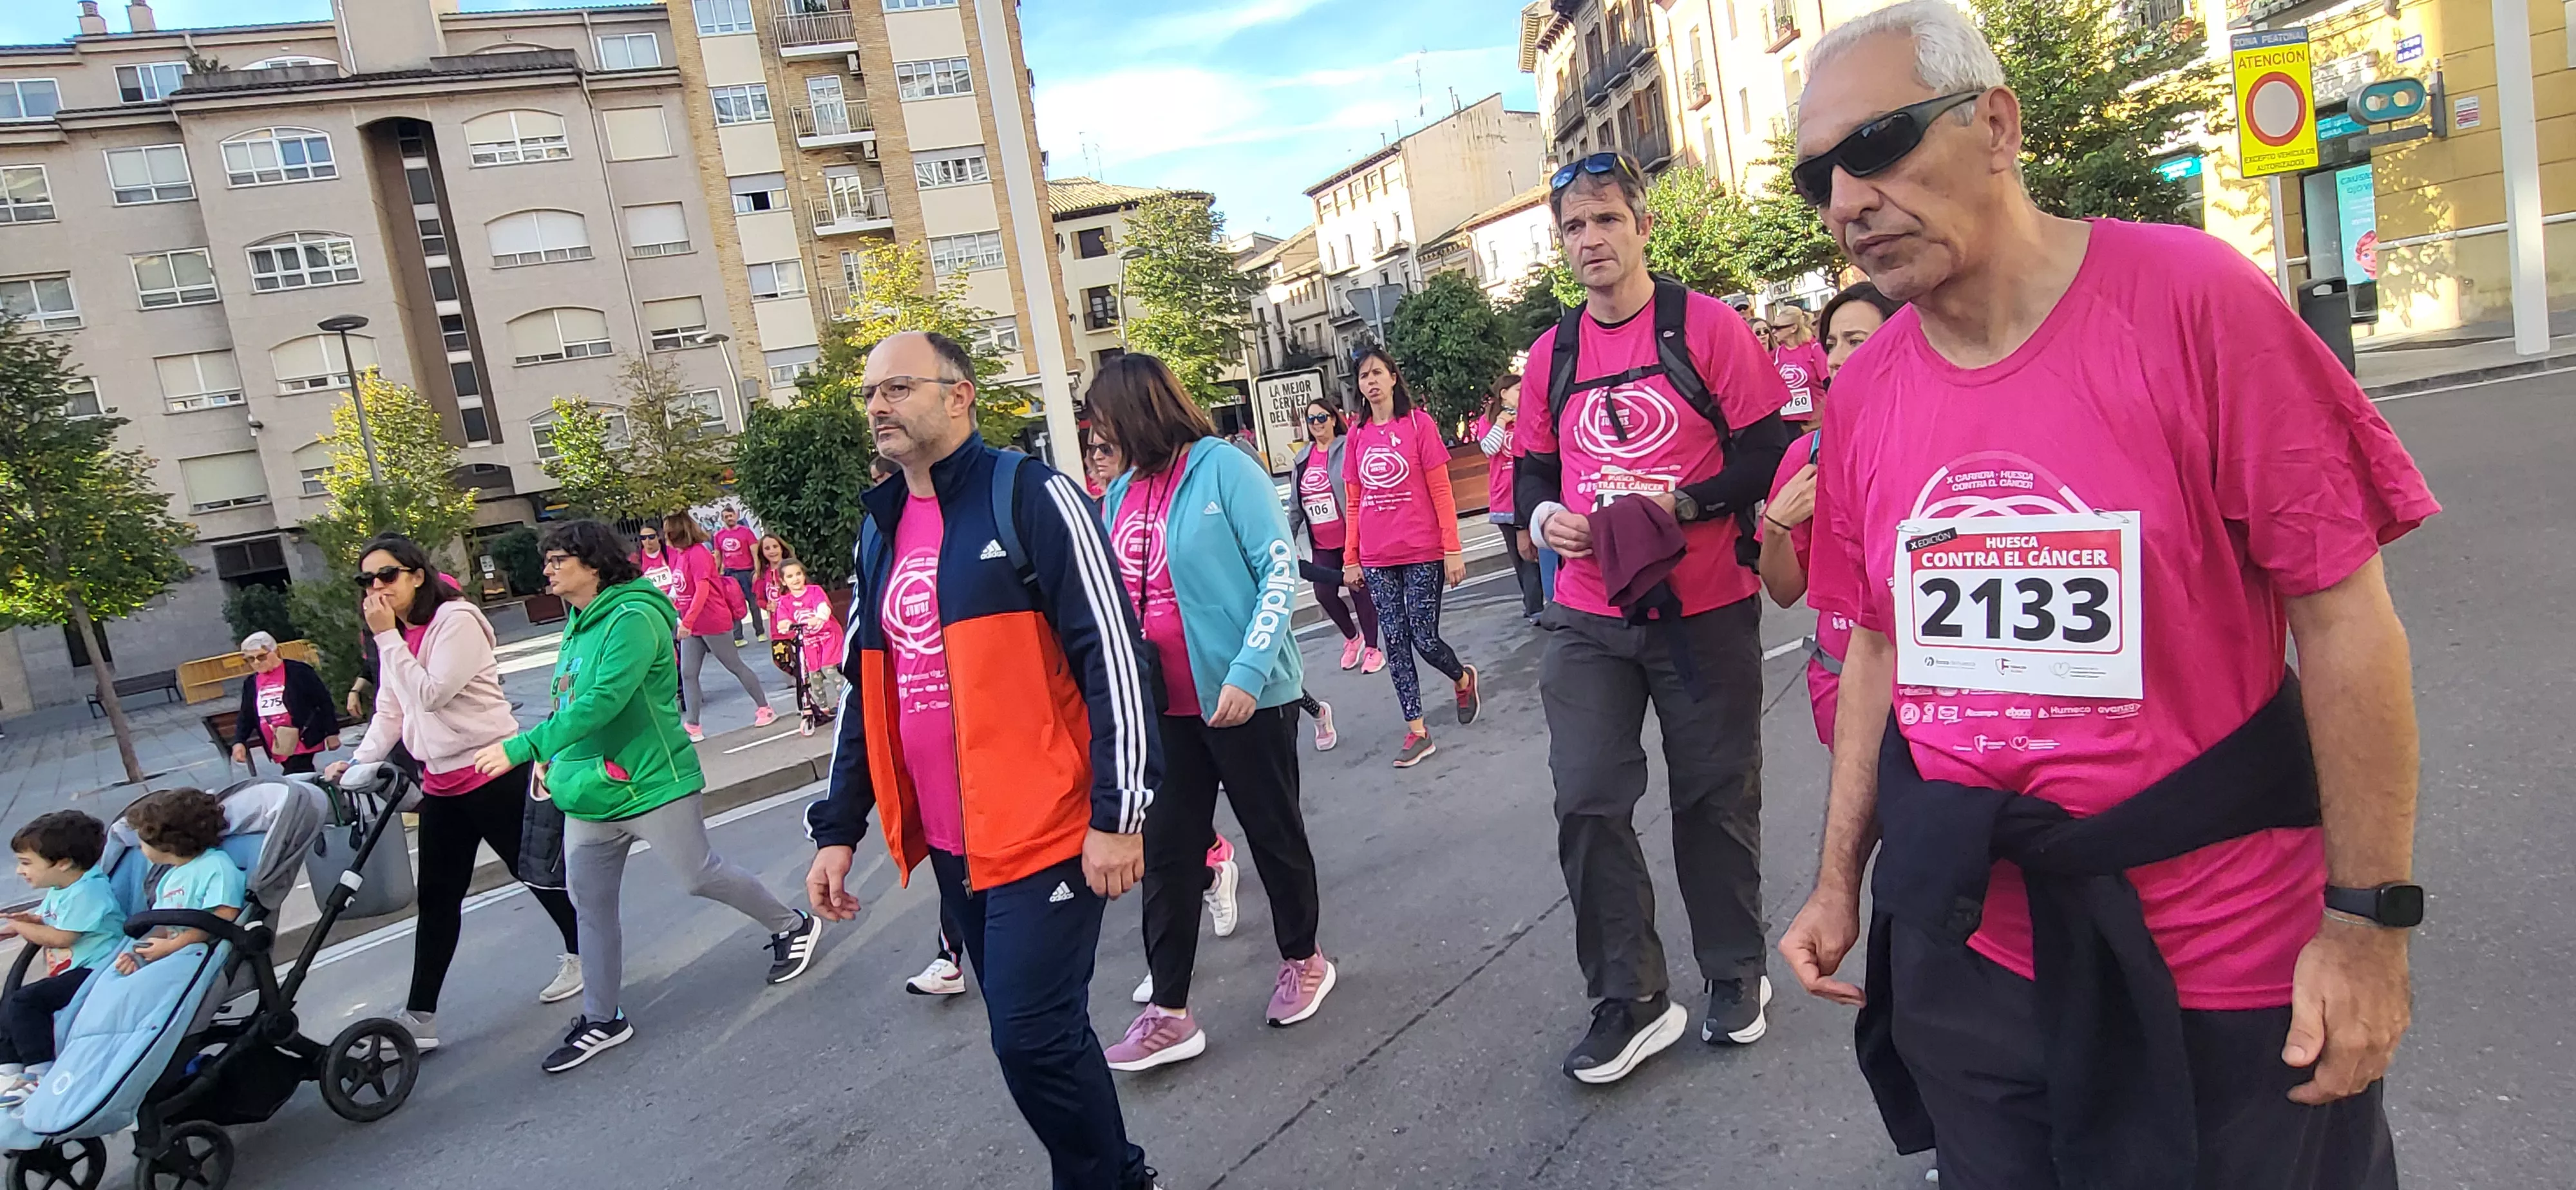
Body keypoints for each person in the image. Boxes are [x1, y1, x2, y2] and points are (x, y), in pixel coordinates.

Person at [1777, 5, 2436, 1185]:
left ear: (1996, 126)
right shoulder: (1866, 390)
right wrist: (1840, 879)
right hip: (1977, 955)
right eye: (1817, 174)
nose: (1845, 199)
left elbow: (2345, 619)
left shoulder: (2195, 303)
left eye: (1874, 145)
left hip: (2228, 969)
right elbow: (1874, 645)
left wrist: (2367, 924)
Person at [804, 330, 1162, 1190]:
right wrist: (838, 827)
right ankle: (1119, 1173)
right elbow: (869, 690)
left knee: (1030, 1037)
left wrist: (1120, 816)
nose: (878, 408)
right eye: (869, 395)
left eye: (897, 388)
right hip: (957, 842)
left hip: (1049, 824)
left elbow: (1116, 655)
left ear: (959, 395)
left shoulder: (1031, 496)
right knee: (1036, 1036)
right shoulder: (880, 528)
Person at [1515, 150, 1794, 1084]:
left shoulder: (1705, 327)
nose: (1590, 240)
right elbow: (1532, 466)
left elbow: (1768, 451)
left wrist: (1689, 504)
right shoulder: (1551, 355)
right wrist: (1539, 514)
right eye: (1574, 228)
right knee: (1587, 796)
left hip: (1703, 607)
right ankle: (1631, 998)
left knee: (1713, 796)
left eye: (1605, 220)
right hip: (1587, 613)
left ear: (1641, 226)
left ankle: (1734, 970)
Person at [474, 520, 821, 1075]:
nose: (547, 570)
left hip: (650, 779)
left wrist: (524, 747)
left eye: (557, 560)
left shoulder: (633, 617)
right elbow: (570, 699)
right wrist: (551, 759)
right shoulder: (579, 620)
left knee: (699, 875)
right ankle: (602, 1017)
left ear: (592, 564)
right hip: (588, 789)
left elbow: (606, 700)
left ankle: (792, 925)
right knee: (590, 905)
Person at [1084, 354, 1332, 1074]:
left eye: (1106, 422)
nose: (1101, 438)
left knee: (1271, 833)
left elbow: (1277, 568)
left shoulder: (1224, 468)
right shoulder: (1121, 492)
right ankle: (1168, 1011)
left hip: (1243, 696)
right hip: (1163, 707)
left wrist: (1250, 671)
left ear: (1139, 412)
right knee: (1166, 853)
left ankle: (1303, 958)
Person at [328, 535, 585, 1050]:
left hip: (492, 768)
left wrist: (386, 640)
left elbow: (432, 692)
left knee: (535, 871)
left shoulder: (456, 621)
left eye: (387, 576)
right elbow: (393, 709)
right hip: (441, 782)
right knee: (439, 897)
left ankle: (587, 953)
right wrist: (359, 764)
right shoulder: (399, 635)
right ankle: (421, 1014)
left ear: (416, 575)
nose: (377, 589)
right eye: (367, 581)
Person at [1757, 282, 1904, 750]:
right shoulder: (1806, 455)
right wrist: (1778, 527)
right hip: (1843, 680)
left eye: (1856, 342)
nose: (1837, 358)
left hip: (1941, 688)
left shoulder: (1947, 438)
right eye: (1832, 344)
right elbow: (1783, 592)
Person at [1341, 347, 1477, 768]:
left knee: (1424, 638)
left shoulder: (1419, 424)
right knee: (1395, 642)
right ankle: (1417, 731)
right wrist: (1351, 557)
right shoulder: (1356, 435)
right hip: (1378, 556)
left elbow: (1441, 490)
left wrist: (1452, 549)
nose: (1372, 382)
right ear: (1359, 386)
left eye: (1378, 373)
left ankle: (1462, 677)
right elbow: (1353, 500)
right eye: (1364, 376)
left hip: (1422, 551)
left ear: (1394, 378)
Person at [0, 811, 122, 1106]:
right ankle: (8, 1068)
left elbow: (63, 937)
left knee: (26, 1001)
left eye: (26, 863)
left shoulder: (89, 890)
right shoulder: (64, 888)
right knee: (9, 1003)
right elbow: (53, 918)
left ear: (64, 863)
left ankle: (40, 1071)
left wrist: (20, 928)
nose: (19, 871)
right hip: (75, 969)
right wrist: (32, 918)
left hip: (96, 970)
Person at [658, 513, 778, 742]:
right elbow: (683, 589)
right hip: (691, 623)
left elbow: (703, 589)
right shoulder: (680, 556)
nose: (665, 537)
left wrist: (688, 621)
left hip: (711, 620)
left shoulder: (698, 554)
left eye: (667, 532)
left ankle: (764, 707)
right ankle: (693, 724)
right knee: (688, 673)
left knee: (734, 664)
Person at [1287, 397, 1385, 674]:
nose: (1317, 424)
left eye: (1321, 418)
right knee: (1324, 593)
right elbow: (1296, 505)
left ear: (1333, 419)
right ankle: (1353, 639)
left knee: (1360, 590)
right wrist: (1287, 538)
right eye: (1311, 419)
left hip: (1351, 537)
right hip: (1321, 541)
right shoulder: (1302, 459)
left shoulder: (1347, 447)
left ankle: (1373, 649)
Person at [112, 788, 245, 976]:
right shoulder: (170, 876)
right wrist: (139, 951)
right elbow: (163, 925)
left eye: (142, 842)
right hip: (174, 954)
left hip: (198, 957)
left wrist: (172, 946)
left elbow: (223, 918)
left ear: (167, 843)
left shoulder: (217, 867)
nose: (140, 848)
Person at [1474, 375, 1544, 623]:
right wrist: (1502, 422)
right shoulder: (1489, 422)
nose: (1522, 394)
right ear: (1504, 393)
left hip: (1530, 493)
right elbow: (1489, 448)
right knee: (1520, 557)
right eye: (1517, 390)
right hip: (1505, 498)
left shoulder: (1530, 417)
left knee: (1539, 550)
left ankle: (1542, 603)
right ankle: (1533, 605)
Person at [230, 632, 336, 775]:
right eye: (250, 659)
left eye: (261, 656)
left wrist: (332, 732)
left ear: (275, 651)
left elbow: (323, 701)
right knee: (302, 777)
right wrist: (239, 741)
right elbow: (246, 715)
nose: (256, 662)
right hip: (277, 743)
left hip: (302, 737)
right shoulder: (251, 683)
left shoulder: (299, 671)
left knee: (296, 775)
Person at [771, 560, 846, 737]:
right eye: (790, 576)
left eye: (798, 574)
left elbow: (823, 607)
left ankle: (845, 698)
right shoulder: (785, 601)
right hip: (809, 641)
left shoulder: (814, 591)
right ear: (783, 581)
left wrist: (820, 616)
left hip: (828, 637)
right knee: (813, 673)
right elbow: (782, 620)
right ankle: (822, 706)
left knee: (829, 668)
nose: (796, 579)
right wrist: (785, 625)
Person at [1768, 305, 1831, 426]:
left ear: (1793, 328)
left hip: (1814, 422)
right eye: (1773, 327)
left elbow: (1829, 383)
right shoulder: (1776, 355)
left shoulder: (1814, 349)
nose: (1774, 332)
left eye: (1778, 328)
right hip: (1786, 422)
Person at [712, 505, 764, 639]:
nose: (729, 519)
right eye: (726, 517)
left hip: (747, 572)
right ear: (723, 519)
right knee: (733, 605)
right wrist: (716, 574)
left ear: (736, 516)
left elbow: (755, 553)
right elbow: (718, 556)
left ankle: (760, 632)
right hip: (730, 574)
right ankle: (738, 637)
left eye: (731, 516)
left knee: (753, 603)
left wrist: (757, 571)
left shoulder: (746, 532)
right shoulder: (719, 536)